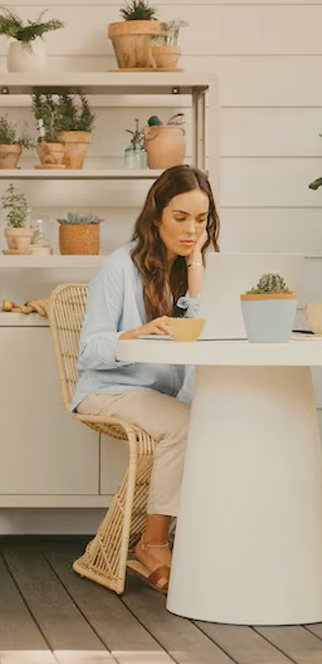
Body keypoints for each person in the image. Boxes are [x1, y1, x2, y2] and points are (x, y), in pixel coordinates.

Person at [72, 165, 220, 592]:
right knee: (185, 424)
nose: (192, 229)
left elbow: (202, 330)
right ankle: (153, 544)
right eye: (181, 218)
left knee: (217, 417)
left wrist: (195, 266)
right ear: (156, 216)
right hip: (107, 390)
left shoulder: (185, 268)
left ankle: (201, 536)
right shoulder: (120, 267)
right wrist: (132, 334)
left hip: (156, 395)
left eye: (200, 220)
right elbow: (89, 351)